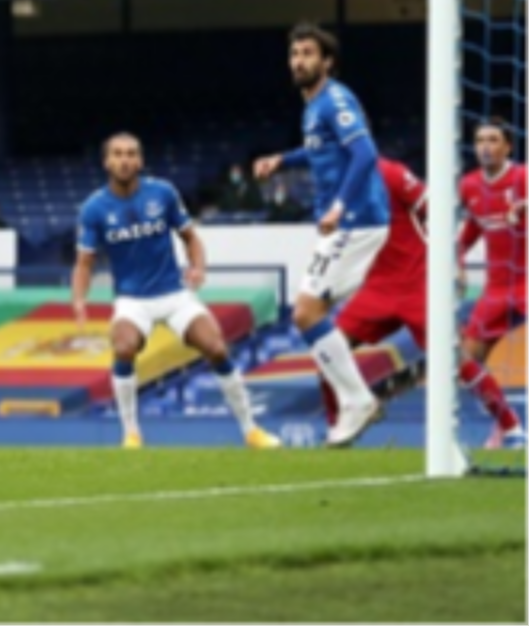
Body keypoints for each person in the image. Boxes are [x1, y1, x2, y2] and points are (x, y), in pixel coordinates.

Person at [73, 134, 277, 450]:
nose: (125, 160)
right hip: (132, 301)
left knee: (217, 347)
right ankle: (131, 434)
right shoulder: (94, 209)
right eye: (118, 154)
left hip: (174, 295)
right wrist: (79, 299)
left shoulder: (163, 193)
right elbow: (84, 263)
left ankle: (251, 431)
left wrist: (198, 268)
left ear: (140, 161)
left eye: (131, 154)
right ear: (107, 162)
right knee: (124, 347)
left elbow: (191, 238)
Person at [325, 156, 525, 445]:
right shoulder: (334, 180)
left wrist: (450, 264)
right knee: (328, 349)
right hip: (377, 285)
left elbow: (437, 212)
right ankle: (339, 430)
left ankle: (511, 428)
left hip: (418, 281)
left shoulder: (391, 173)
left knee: (456, 357)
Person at [253, 23, 388, 448]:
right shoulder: (312, 107)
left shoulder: (335, 99)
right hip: (346, 224)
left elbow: (364, 152)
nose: (299, 61)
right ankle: (354, 399)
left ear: (326, 61)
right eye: (294, 54)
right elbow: (319, 151)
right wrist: (282, 159)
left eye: (308, 53)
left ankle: (357, 399)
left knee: (306, 312)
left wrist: (339, 206)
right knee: (308, 313)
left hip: (356, 221)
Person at [457, 119, 529, 447]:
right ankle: (507, 426)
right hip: (498, 289)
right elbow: (472, 229)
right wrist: (455, 259)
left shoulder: (524, 176)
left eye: (493, 140)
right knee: (464, 360)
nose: (485, 146)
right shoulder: (470, 185)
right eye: (480, 140)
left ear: (508, 146)